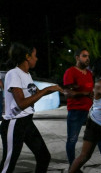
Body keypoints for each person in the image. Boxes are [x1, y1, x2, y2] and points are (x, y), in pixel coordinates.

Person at [0, 43, 63, 173]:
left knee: (44, 157)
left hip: (26, 122)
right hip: (14, 123)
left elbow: (36, 93)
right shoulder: (14, 73)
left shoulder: (26, 74)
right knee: (8, 166)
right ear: (27, 57)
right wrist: (47, 89)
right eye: (35, 55)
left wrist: (56, 89)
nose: (37, 58)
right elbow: (21, 104)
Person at [63, 48, 101, 171]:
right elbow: (67, 92)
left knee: (100, 136)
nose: (87, 58)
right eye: (84, 56)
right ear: (77, 57)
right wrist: (84, 93)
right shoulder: (70, 72)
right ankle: (72, 166)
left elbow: (90, 90)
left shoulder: (89, 73)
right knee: (72, 139)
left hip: (91, 111)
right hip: (76, 111)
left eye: (88, 56)